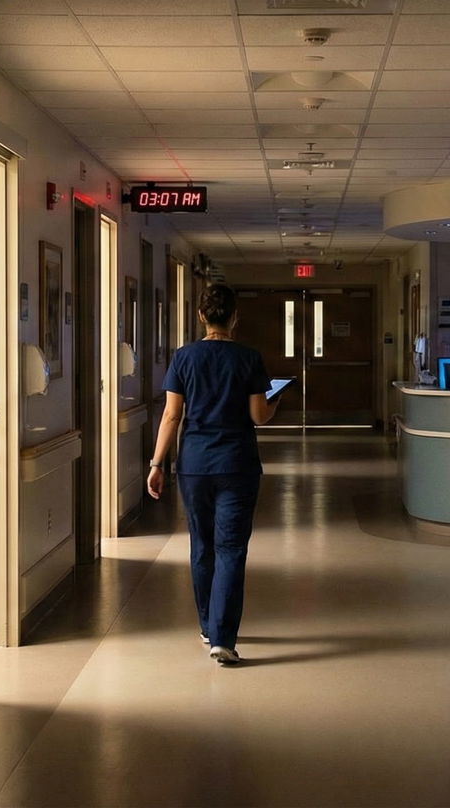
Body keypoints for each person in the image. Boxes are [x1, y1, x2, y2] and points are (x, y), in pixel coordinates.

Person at [147, 284, 277, 666]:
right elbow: (258, 416)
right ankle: (223, 638)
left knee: (201, 546)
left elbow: (172, 416)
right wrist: (277, 400)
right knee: (231, 548)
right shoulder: (249, 358)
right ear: (234, 317)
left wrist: (156, 464)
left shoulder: (184, 357)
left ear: (202, 316)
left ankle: (207, 625)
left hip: (194, 465)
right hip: (237, 464)